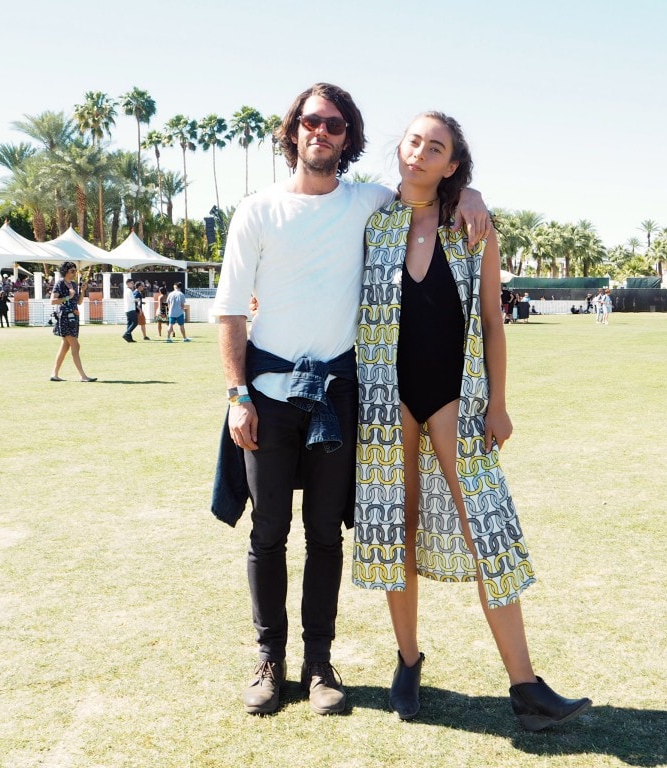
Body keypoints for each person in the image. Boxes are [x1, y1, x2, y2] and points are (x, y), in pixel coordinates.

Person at [211, 83, 489, 719]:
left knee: (326, 539)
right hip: (268, 397)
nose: (322, 132)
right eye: (311, 121)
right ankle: (268, 660)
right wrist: (236, 395)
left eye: (335, 125)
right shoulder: (257, 210)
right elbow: (229, 311)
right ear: (294, 131)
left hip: (340, 398)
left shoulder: (367, 202)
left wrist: (467, 191)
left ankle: (319, 665)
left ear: (348, 138)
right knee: (269, 533)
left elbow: (427, 190)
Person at [354, 111, 590, 730]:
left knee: (486, 527)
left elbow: (491, 320)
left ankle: (526, 685)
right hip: (386, 398)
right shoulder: (371, 219)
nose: (421, 154)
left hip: (457, 395)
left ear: (452, 164)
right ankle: (407, 663)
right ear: (399, 148)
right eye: (414, 142)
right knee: (395, 527)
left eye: (436, 148)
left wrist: (500, 402)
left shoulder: (473, 225)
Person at [49, 261, 96, 382]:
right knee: (76, 345)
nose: (74, 273)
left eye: (75, 270)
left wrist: (82, 291)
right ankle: (82, 376)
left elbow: (79, 302)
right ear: (65, 272)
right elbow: (53, 301)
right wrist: (68, 297)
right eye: (72, 271)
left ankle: (54, 374)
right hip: (64, 317)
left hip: (74, 317)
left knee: (65, 346)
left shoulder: (74, 285)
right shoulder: (60, 283)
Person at [122, 278, 138, 342]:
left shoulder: (126, 290)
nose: (133, 285)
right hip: (131, 309)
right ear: (128, 284)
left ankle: (129, 338)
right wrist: (137, 300)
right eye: (132, 283)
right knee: (135, 322)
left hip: (127, 309)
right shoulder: (129, 291)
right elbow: (132, 300)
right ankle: (126, 334)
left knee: (129, 323)